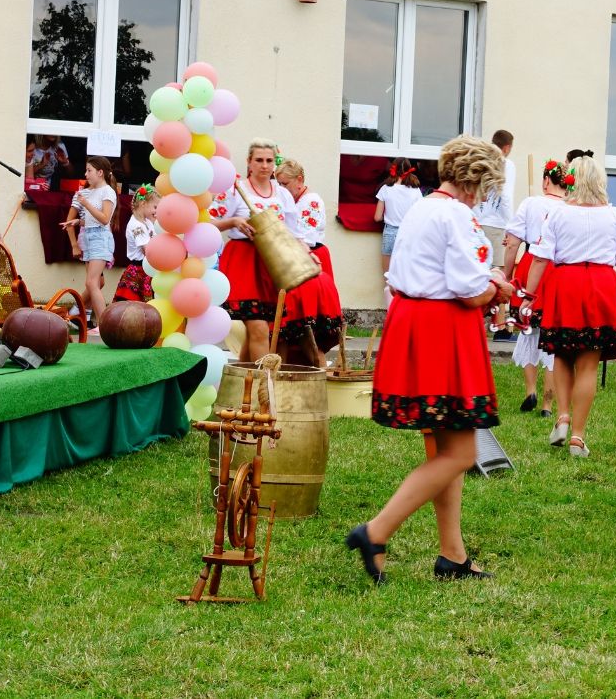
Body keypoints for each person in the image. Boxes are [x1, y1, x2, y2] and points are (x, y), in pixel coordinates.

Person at [346, 135, 512, 585]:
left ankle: (452, 556)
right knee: (459, 453)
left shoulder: (421, 205)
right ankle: (376, 531)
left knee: (444, 446)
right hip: (443, 328)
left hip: (414, 321)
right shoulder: (458, 214)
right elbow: (469, 289)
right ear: (479, 181)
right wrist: (498, 287)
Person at [520, 156, 616, 458]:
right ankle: (578, 436)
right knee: (588, 362)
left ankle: (561, 416)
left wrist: (529, 295)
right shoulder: (615, 215)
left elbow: (540, 257)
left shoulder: (558, 214)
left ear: (571, 180)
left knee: (561, 353)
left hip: (565, 283)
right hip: (600, 284)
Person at [210, 138, 293, 362]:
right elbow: (208, 222)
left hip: (270, 262)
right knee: (258, 328)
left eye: (269, 160)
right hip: (243, 261)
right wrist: (234, 222)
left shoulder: (282, 194)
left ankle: (242, 386)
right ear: (249, 162)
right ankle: (263, 388)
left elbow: (293, 232)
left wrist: (307, 254)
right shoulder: (235, 189)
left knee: (257, 330)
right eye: (259, 160)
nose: (264, 165)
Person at [501, 158, 569, 416]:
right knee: (553, 338)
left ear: (545, 180)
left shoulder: (530, 203)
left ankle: (531, 390)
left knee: (528, 331)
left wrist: (508, 275)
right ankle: (548, 405)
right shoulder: (571, 207)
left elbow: (512, 243)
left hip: (532, 266)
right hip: (559, 271)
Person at [276, 159, 343, 367]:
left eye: (285, 184)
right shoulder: (290, 201)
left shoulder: (311, 201)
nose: (281, 189)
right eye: (278, 185)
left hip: (309, 259)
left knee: (306, 323)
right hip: (294, 259)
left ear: (299, 180)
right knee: (287, 327)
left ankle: (316, 368)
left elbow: (305, 237)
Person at [60, 156, 118, 333]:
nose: (86, 174)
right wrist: (78, 222)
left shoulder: (107, 192)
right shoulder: (87, 193)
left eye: (89, 171)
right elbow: (91, 220)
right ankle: (76, 314)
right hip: (89, 238)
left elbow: (104, 219)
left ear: (100, 173)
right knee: (93, 283)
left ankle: (103, 325)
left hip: (101, 238)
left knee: (92, 283)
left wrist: (85, 204)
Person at [472, 130, 516, 271]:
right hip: (495, 223)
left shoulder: (481, 160)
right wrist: (510, 225)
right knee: (495, 272)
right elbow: (505, 196)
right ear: (507, 147)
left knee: (476, 267)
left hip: (476, 220)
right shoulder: (506, 164)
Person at [375, 157, 423, 277]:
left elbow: (377, 217)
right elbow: (420, 214)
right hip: (409, 232)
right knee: (406, 274)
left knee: (388, 276)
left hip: (390, 232)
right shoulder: (416, 190)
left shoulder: (385, 189)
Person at [113, 184, 158, 303]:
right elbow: (147, 250)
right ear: (143, 204)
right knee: (133, 307)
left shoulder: (147, 222)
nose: (156, 211)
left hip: (147, 269)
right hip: (138, 270)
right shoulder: (136, 225)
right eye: (155, 207)